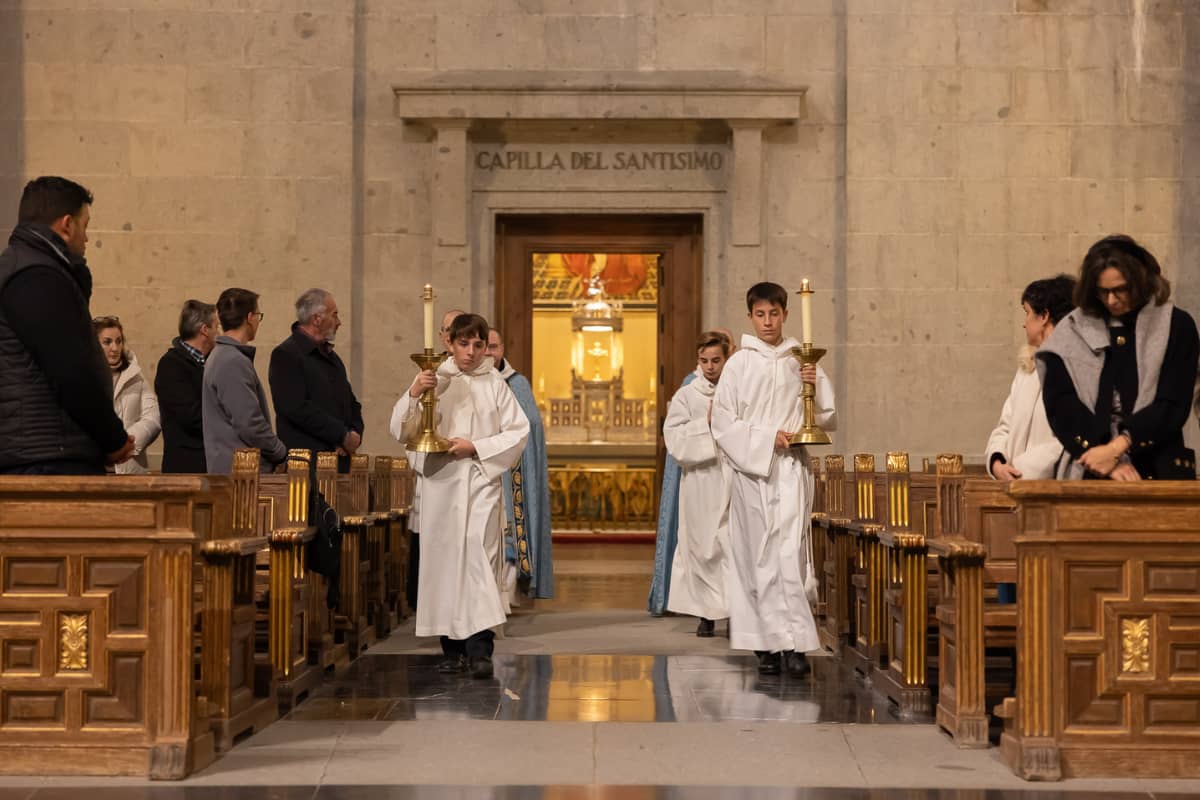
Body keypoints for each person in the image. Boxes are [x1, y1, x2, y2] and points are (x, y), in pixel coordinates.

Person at [390, 313, 529, 679]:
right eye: (463, 344)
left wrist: (476, 447)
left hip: (481, 481)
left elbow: (518, 431)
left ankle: (480, 648)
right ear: (449, 343)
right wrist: (415, 393)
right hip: (442, 482)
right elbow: (402, 430)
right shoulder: (436, 378)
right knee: (445, 564)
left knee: (479, 558)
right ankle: (452, 650)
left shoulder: (495, 383)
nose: (471, 352)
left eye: (478, 345)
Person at [711, 283, 835, 677]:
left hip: (791, 470)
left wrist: (814, 384)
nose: (768, 322)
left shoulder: (799, 359)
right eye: (760, 315)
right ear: (750, 317)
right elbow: (722, 422)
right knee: (758, 558)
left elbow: (826, 416)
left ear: (785, 315)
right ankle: (765, 644)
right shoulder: (738, 364)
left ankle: (795, 643)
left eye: (774, 314)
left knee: (790, 557)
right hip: (754, 473)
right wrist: (767, 438)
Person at [0, 176, 133, 475]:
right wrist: (112, 438)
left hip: (38, 451)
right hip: (46, 457)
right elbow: (71, 369)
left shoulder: (25, 268)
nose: (87, 238)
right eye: (85, 226)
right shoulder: (36, 276)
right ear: (67, 225)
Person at [1038, 235, 1199, 481]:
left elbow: (1173, 403)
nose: (1111, 300)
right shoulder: (1070, 331)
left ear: (1141, 281)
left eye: (1120, 289)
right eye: (1103, 291)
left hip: (1158, 468)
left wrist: (1118, 448)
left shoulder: (1176, 325)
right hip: (1088, 467)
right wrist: (1103, 458)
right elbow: (1061, 405)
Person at [649, 327, 736, 616]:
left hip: (731, 478)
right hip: (700, 480)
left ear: (726, 358)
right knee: (699, 545)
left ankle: (732, 610)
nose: (710, 367)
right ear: (697, 360)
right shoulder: (687, 395)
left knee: (730, 543)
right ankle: (704, 613)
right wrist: (705, 425)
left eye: (716, 360)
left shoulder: (736, 391)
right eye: (704, 361)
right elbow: (673, 438)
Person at [985, 275, 1076, 481]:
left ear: (1044, 316)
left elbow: (1066, 440)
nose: (1024, 324)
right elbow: (1005, 426)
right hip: (1013, 485)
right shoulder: (1027, 369)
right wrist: (997, 463)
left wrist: (1020, 470)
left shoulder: (1073, 368)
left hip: (1048, 487)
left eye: (1027, 313)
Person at [487, 327, 554, 603]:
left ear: (503, 349)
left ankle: (508, 593)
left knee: (511, 531)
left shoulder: (517, 384)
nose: (488, 353)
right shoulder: (471, 382)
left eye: (493, 347)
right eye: (483, 346)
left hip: (513, 471)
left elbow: (532, 425)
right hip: (484, 468)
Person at [269, 288, 364, 473]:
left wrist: (354, 435)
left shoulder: (332, 358)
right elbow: (295, 408)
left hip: (340, 463)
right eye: (334, 315)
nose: (339, 322)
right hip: (307, 468)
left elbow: (352, 403)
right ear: (317, 319)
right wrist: (341, 435)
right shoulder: (286, 355)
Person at [202, 288, 288, 474]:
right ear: (250, 317)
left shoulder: (223, 356)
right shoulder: (231, 360)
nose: (258, 322)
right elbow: (249, 423)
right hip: (241, 474)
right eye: (258, 316)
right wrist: (280, 453)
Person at [155, 300, 219, 473]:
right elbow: (191, 416)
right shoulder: (171, 365)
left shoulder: (212, 362)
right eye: (216, 326)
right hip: (187, 466)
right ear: (204, 330)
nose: (219, 332)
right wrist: (228, 419)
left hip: (211, 462)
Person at [94, 316, 160, 474]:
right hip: (95, 466)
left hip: (130, 465)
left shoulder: (135, 375)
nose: (115, 348)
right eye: (107, 342)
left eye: (119, 341)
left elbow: (153, 417)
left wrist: (126, 443)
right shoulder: (85, 376)